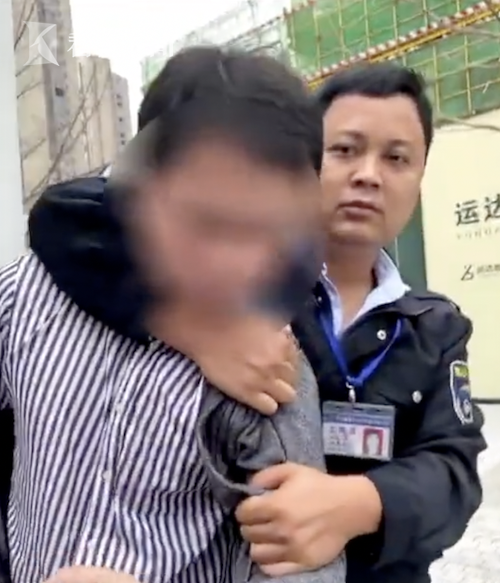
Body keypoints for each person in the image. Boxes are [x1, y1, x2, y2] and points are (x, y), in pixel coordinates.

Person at [0, 46, 325, 583]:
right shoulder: (27, 296)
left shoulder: (271, 367)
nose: (233, 260)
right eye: (207, 218)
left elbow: (298, 566)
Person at [230, 63, 486, 583]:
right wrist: (196, 331)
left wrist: (358, 504)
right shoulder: (239, 291)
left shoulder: (435, 327)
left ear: (418, 181)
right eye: (345, 150)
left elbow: (454, 473)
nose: (369, 175)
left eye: (396, 158)